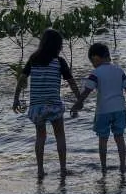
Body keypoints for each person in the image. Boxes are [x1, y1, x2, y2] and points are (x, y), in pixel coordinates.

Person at [12, 29, 80, 180]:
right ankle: (63, 169)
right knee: (60, 136)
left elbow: (21, 80)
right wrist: (79, 99)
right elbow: (72, 83)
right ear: (58, 45)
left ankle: (40, 170)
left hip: (37, 107)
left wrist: (16, 99)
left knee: (40, 137)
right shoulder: (59, 62)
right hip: (54, 105)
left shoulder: (33, 59)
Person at [69, 42, 126, 174]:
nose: (92, 64)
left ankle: (104, 167)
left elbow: (86, 91)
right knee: (120, 138)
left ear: (95, 58)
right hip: (120, 110)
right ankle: (123, 166)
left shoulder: (96, 73)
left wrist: (77, 105)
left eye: (92, 61)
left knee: (103, 140)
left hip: (103, 111)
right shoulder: (119, 70)